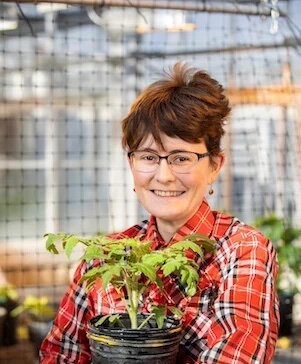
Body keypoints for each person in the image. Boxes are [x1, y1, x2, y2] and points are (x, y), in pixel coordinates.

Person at [40, 63, 279, 363]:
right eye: (149, 157)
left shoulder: (241, 250)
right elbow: (60, 355)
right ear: (131, 164)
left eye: (182, 158)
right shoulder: (105, 256)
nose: (164, 176)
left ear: (215, 166)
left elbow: (236, 356)